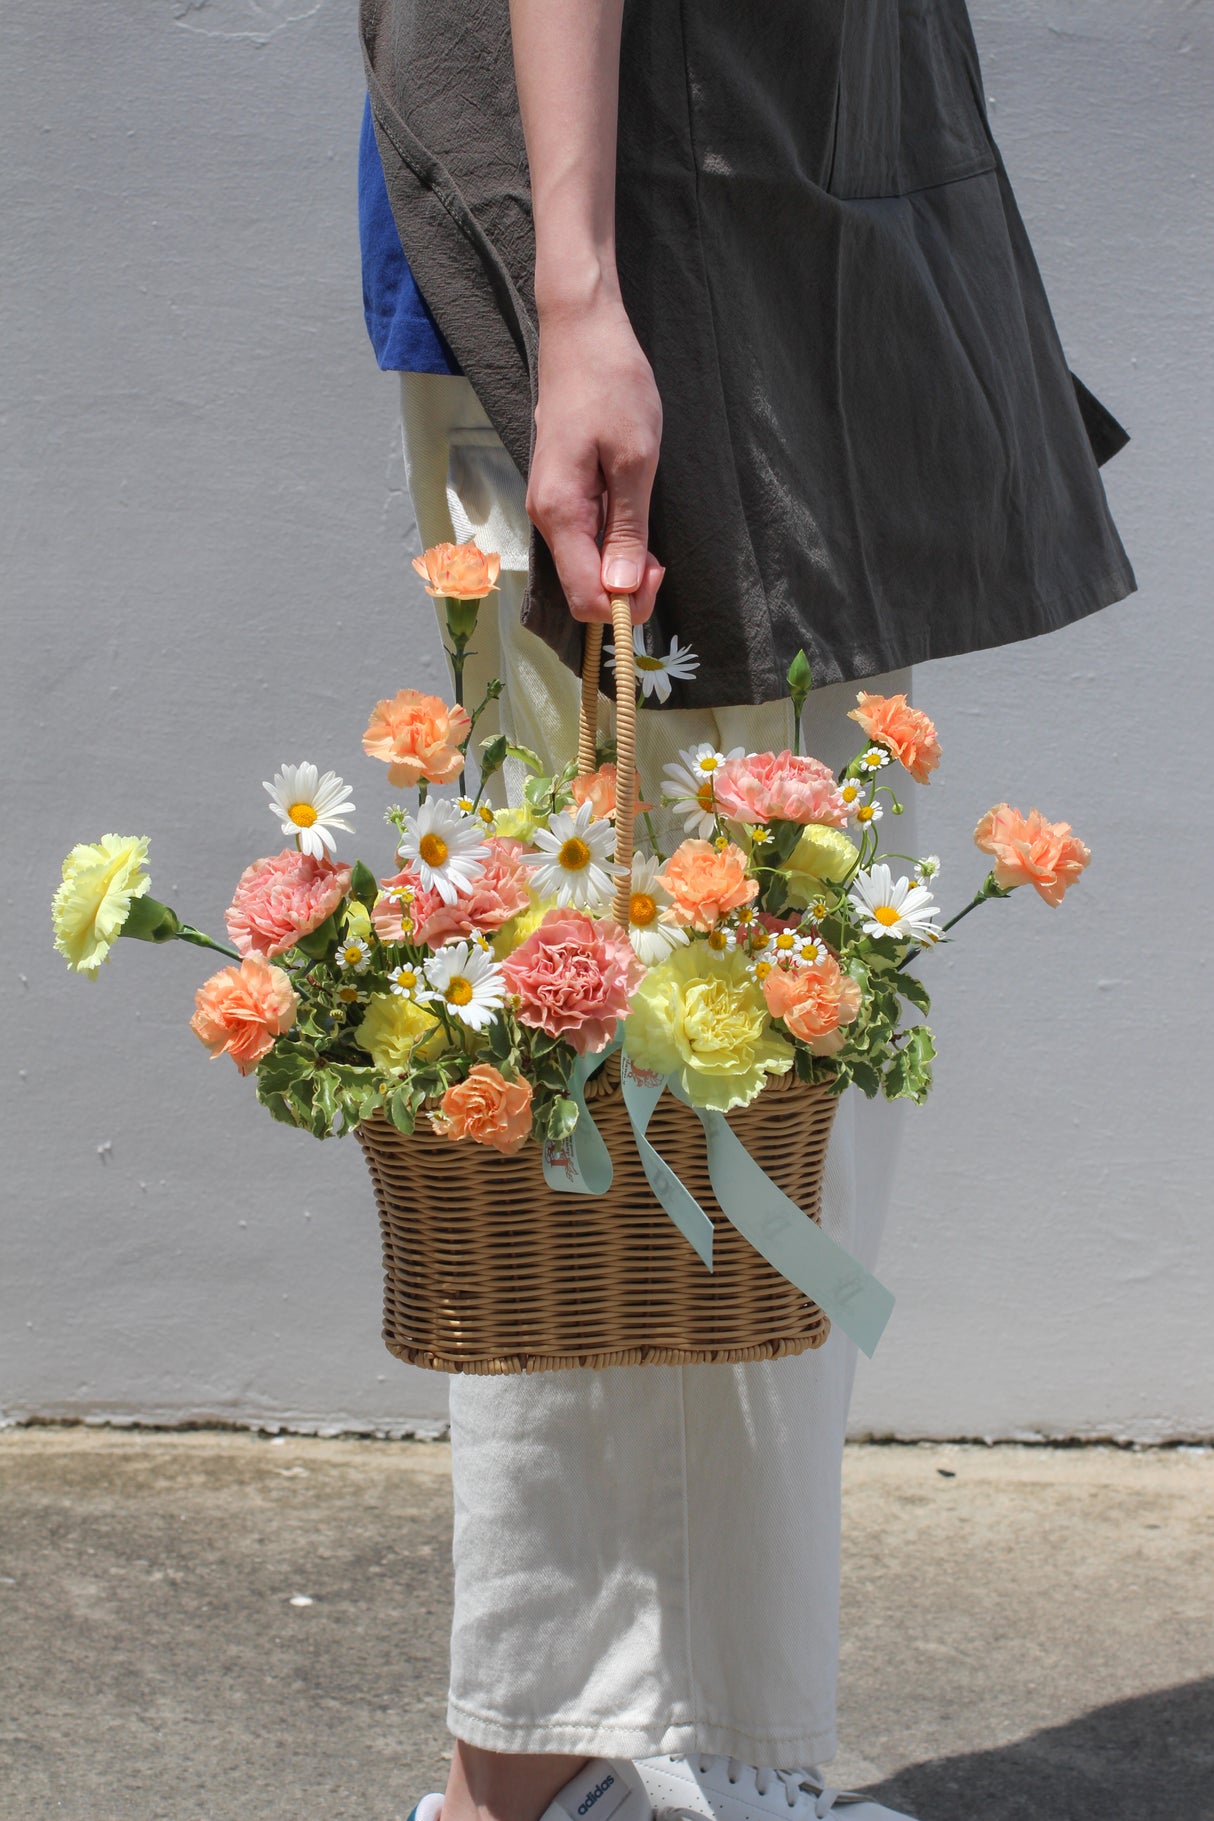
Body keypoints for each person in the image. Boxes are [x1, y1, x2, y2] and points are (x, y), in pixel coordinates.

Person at [356, 4, 1136, 1819]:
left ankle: (593, 1769)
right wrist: (577, 298)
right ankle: (551, 1777)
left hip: (749, 229)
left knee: (708, 1056)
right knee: (626, 1044)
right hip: (651, 257)